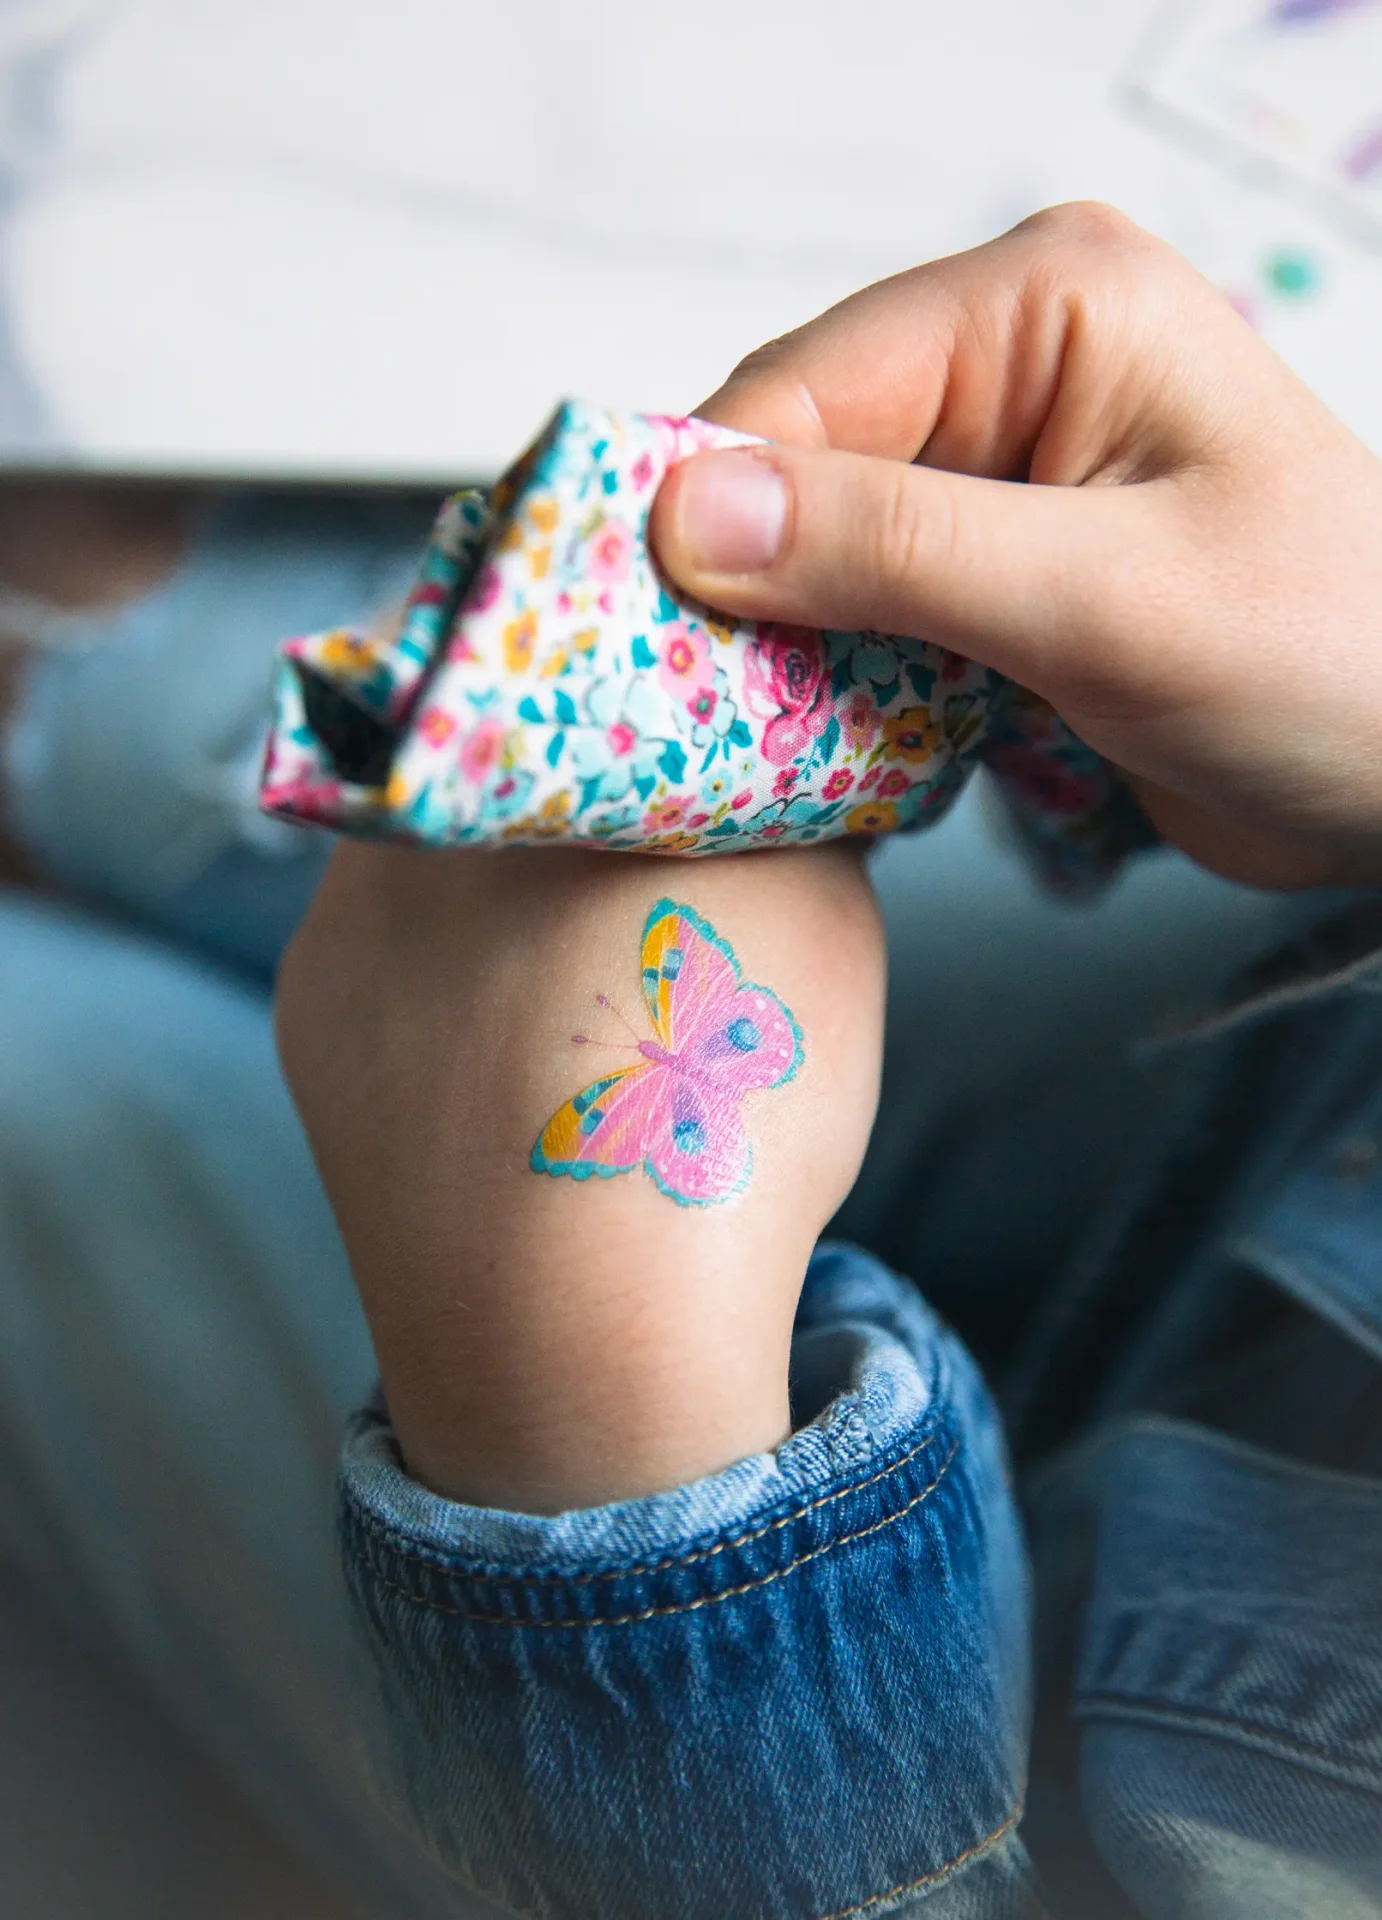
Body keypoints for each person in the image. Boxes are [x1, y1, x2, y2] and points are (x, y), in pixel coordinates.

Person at [3, 203, 1381, 1917]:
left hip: (812, 1738)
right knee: (132, 685)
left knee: (42, 1099)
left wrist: (596, 1434)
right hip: (1280, 1078)